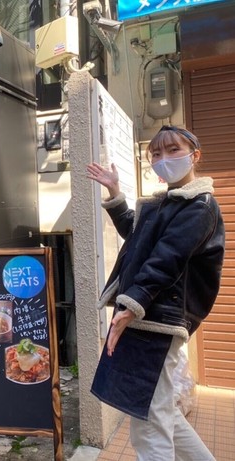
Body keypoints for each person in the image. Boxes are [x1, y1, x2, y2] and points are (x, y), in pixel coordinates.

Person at [86, 125, 225, 461]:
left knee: (149, 428)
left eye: (173, 150)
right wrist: (115, 192)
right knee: (158, 412)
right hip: (152, 319)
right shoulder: (170, 204)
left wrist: (133, 306)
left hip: (156, 322)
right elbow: (138, 238)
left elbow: (166, 259)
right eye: (156, 154)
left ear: (195, 155)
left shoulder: (200, 205)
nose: (164, 159)